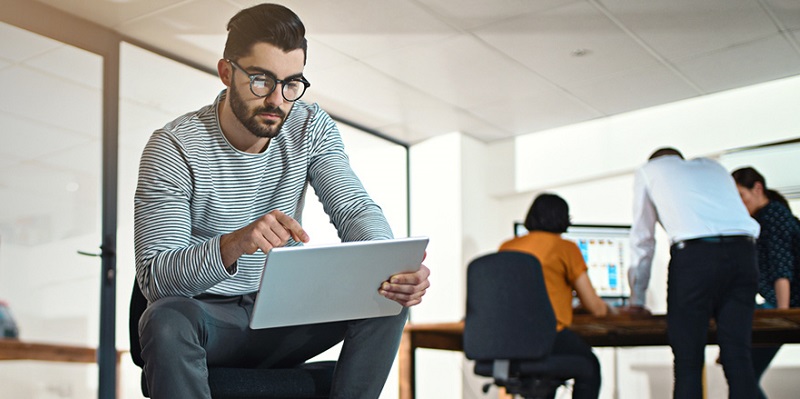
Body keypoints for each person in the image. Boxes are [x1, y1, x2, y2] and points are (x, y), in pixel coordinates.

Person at [132, 4, 430, 398]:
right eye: (261, 80)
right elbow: (157, 279)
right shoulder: (174, 146)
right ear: (226, 72)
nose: (277, 100)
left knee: (387, 298)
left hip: (282, 314)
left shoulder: (309, 125)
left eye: (291, 83)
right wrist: (237, 242)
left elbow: (354, 207)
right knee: (166, 318)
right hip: (209, 322)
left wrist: (393, 266)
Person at [628, 147, 761, 399]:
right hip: (744, 252)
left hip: (695, 258)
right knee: (738, 357)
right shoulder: (713, 167)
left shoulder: (649, 171)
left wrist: (637, 300)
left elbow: (643, 240)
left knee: (688, 362)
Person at [499, 193, 612, 399]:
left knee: (544, 374)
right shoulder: (565, 248)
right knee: (590, 365)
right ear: (564, 218)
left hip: (510, 340)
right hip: (549, 336)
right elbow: (596, 307)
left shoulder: (507, 247)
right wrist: (609, 309)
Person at [732, 166, 800, 399]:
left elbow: (782, 266)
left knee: (743, 372)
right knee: (742, 370)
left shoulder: (772, 214)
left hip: (787, 301)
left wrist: (783, 314)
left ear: (758, 188)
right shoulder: (762, 218)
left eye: (741, 196)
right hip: (777, 301)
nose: (739, 205)